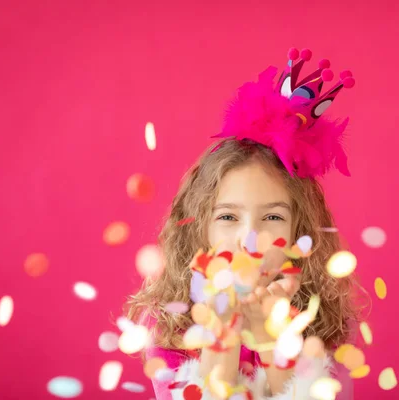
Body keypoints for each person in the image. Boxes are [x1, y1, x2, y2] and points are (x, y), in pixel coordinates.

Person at [126, 48, 362, 400]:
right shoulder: (168, 325)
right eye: (227, 217)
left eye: (272, 217)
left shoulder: (322, 321)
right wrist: (225, 331)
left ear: (301, 232)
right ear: (197, 228)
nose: (250, 241)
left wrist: (269, 338)